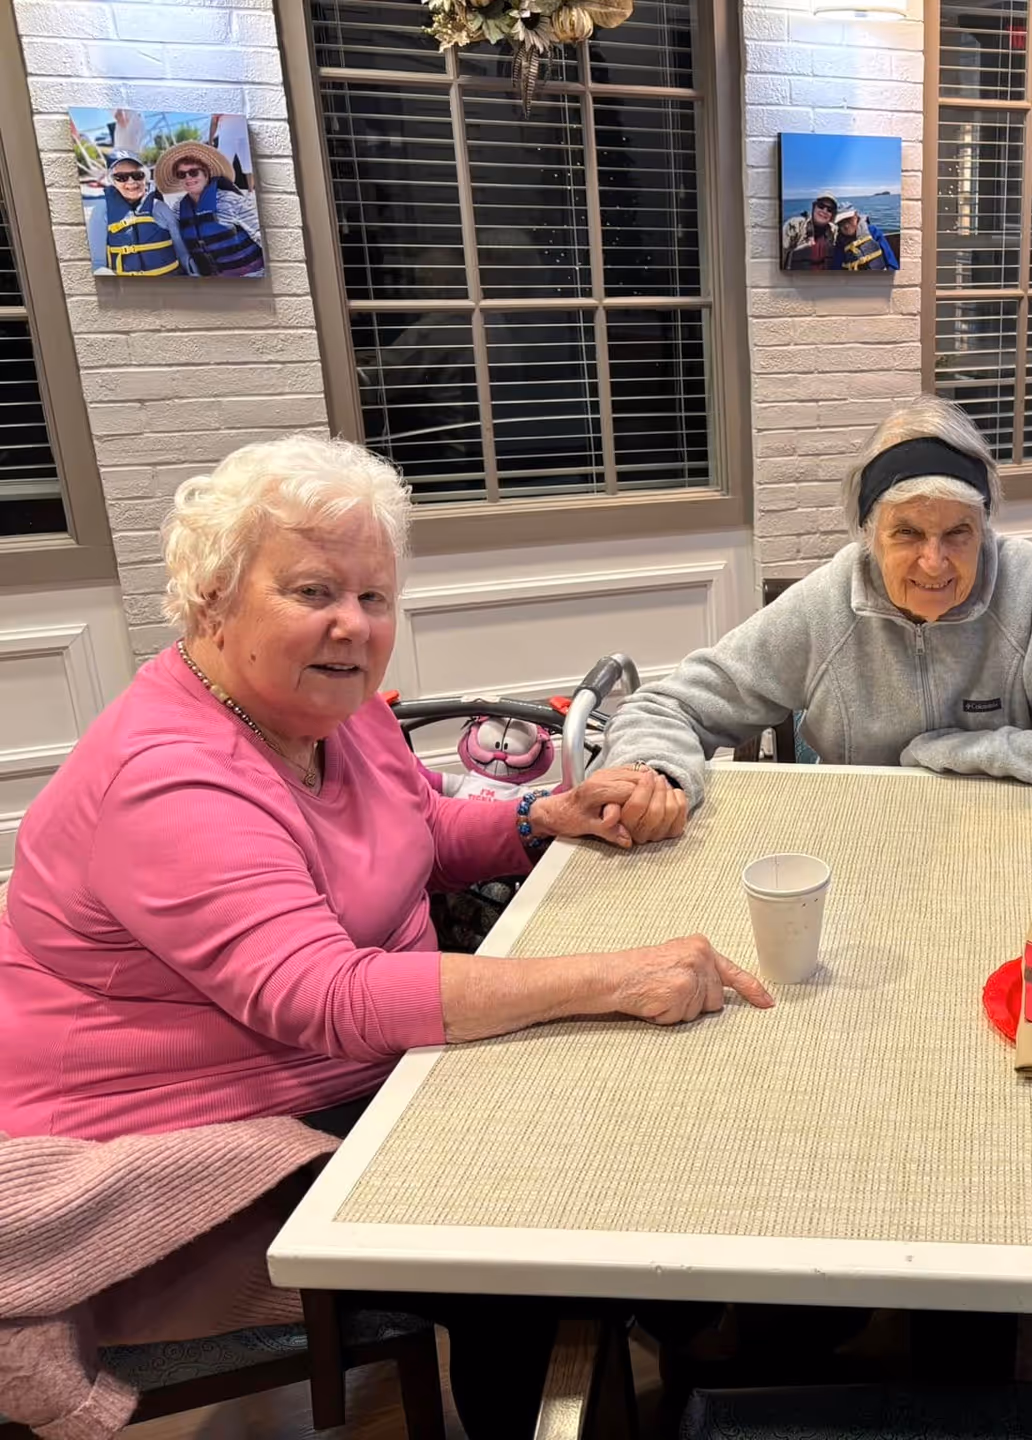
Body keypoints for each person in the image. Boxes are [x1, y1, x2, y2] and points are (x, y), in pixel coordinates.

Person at [0, 434, 774, 1437]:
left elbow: (413, 835)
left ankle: (685, 1330)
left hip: (342, 1067)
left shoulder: (333, 710)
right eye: (312, 591)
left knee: (611, 1114)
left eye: (373, 598)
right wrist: (612, 977)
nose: (351, 626)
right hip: (189, 1137)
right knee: (517, 1215)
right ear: (210, 601)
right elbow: (325, 998)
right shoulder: (168, 776)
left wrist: (540, 819)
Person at [602, 394, 1032, 834]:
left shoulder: (1029, 585)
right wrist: (657, 774)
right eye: (907, 533)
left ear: (985, 529)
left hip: (1009, 834)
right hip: (861, 834)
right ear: (867, 533)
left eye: (958, 533)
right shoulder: (824, 605)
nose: (934, 560)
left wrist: (940, 753)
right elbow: (666, 707)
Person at [156, 140, 266, 278]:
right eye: (181, 174)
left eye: (194, 172)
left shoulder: (231, 201)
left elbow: (264, 238)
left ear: (206, 174)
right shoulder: (178, 209)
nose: (188, 178)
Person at [84, 149, 190, 277]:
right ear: (113, 181)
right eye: (121, 177)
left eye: (137, 175)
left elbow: (183, 254)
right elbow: (97, 263)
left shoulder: (160, 208)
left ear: (145, 176)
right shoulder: (102, 211)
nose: (130, 182)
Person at [782, 193, 839, 270]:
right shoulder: (795, 226)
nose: (824, 211)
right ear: (814, 207)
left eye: (830, 209)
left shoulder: (834, 231)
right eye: (821, 206)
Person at [831, 208, 897, 271]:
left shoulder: (872, 231)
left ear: (856, 216)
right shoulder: (840, 243)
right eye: (841, 223)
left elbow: (891, 262)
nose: (846, 226)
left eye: (849, 219)